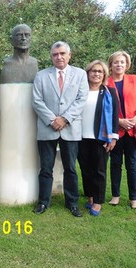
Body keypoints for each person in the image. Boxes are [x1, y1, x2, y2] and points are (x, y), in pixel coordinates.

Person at [31, 41, 89, 217]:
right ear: (51, 57)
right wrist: (52, 120)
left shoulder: (79, 74)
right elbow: (36, 101)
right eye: (55, 54)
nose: (59, 57)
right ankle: (43, 202)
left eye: (62, 53)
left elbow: (81, 99)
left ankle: (72, 203)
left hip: (70, 128)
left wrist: (64, 119)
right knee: (45, 168)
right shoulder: (41, 75)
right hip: (47, 128)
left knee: (70, 168)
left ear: (69, 55)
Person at [106, 51, 136, 209]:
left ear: (127, 65)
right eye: (116, 62)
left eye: (122, 62)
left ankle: (134, 199)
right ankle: (115, 196)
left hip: (132, 130)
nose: (119, 65)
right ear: (110, 65)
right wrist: (119, 122)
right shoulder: (105, 82)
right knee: (115, 163)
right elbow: (103, 109)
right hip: (114, 131)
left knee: (132, 164)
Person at [78, 60, 119, 216]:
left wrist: (113, 138)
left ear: (104, 75)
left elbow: (115, 116)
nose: (96, 74)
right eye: (93, 71)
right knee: (85, 169)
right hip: (80, 136)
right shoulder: (80, 91)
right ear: (87, 73)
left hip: (101, 138)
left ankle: (98, 202)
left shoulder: (110, 92)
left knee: (99, 170)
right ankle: (90, 197)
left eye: (100, 71)